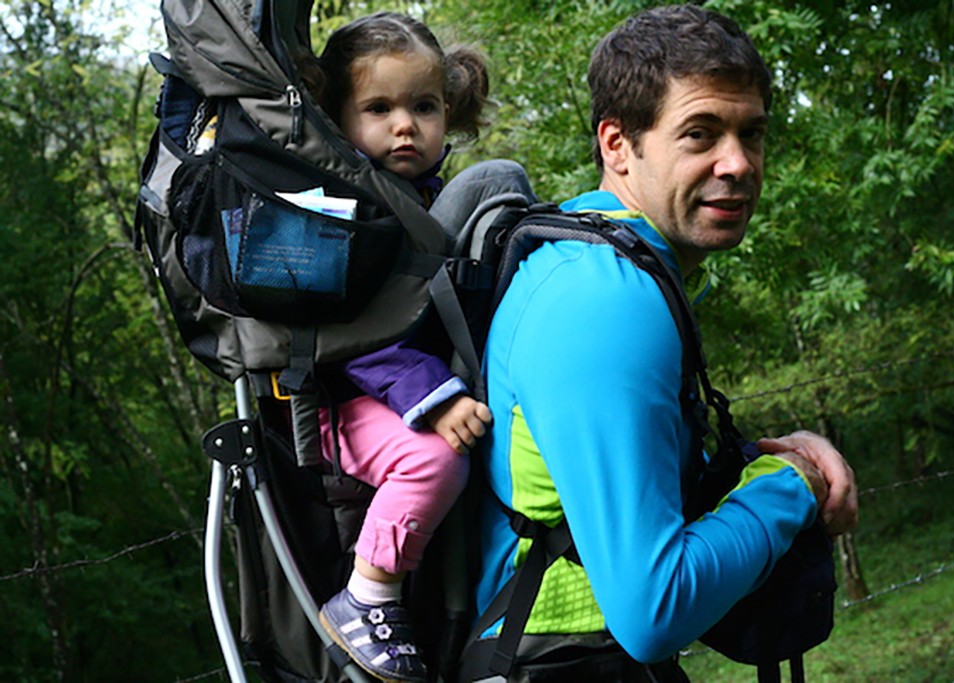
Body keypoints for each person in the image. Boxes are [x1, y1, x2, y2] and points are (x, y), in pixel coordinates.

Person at [467, 5, 859, 681]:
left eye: (752, 133)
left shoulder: (603, 264)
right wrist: (791, 486)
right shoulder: (606, 298)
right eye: (701, 134)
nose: (736, 163)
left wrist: (778, 456)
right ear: (617, 144)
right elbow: (655, 606)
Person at [299, 12, 496, 683]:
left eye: (423, 106)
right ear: (337, 118)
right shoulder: (336, 207)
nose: (404, 125)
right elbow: (344, 329)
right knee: (435, 461)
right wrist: (433, 398)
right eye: (377, 108)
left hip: (410, 391)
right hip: (348, 405)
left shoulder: (436, 202)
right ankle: (367, 595)